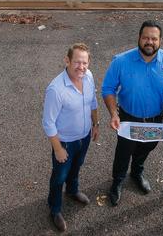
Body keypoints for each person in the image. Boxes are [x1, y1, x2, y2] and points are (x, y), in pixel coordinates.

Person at [101, 20, 163, 206]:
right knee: (124, 151)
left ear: (160, 40)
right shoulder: (121, 61)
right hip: (128, 118)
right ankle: (118, 180)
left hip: (155, 120)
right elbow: (108, 88)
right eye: (146, 37)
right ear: (138, 38)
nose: (149, 42)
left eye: (154, 38)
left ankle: (137, 172)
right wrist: (114, 114)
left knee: (147, 146)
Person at [42, 43, 99, 232]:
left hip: (84, 137)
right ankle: (55, 208)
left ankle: (73, 190)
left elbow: (93, 102)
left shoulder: (88, 77)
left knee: (77, 166)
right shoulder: (56, 89)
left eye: (85, 63)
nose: (81, 67)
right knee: (59, 176)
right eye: (77, 62)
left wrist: (95, 124)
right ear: (67, 61)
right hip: (65, 142)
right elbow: (48, 123)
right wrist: (58, 149)